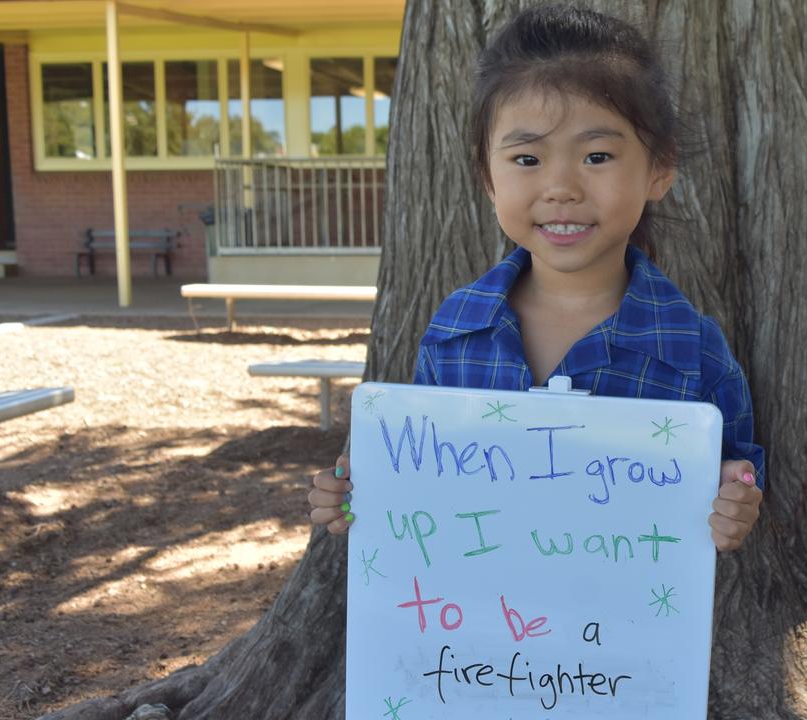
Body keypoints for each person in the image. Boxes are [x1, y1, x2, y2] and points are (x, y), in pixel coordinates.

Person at [308, 3, 763, 551]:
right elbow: (419, 484)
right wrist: (358, 492)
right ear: (487, 176)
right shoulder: (456, 331)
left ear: (659, 170)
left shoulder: (694, 352)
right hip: (469, 627)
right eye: (527, 160)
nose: (561, 187)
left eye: (597, 155)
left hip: (625, 628)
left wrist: (734, 502)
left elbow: (736, 478)